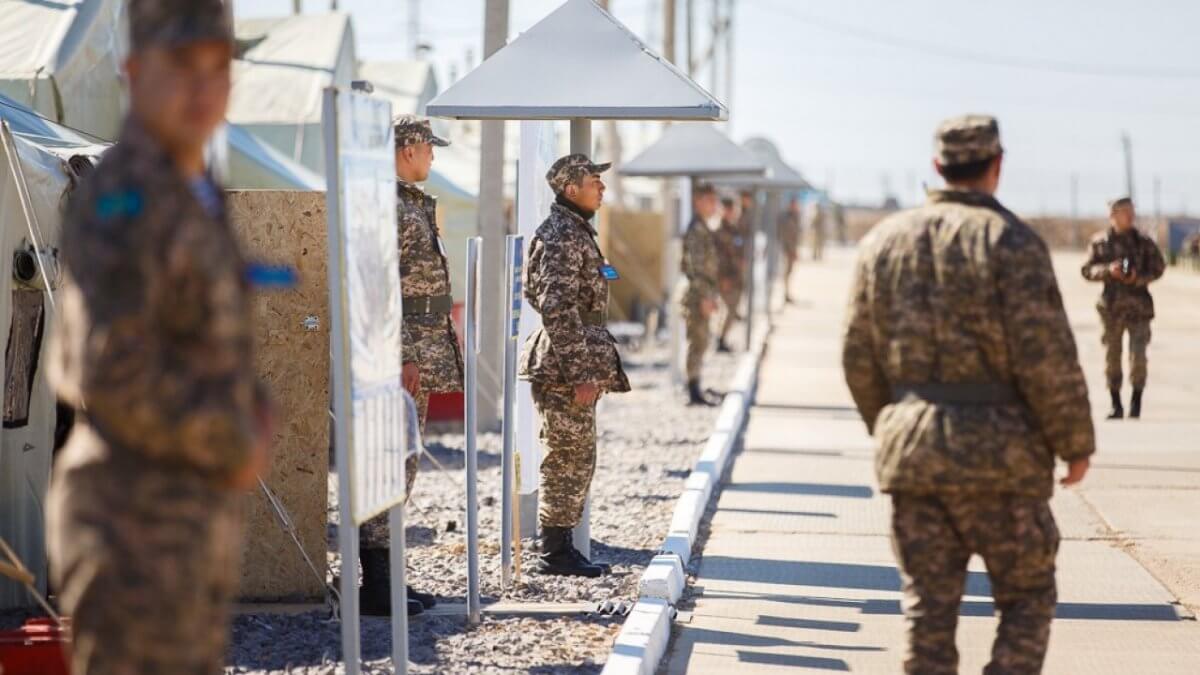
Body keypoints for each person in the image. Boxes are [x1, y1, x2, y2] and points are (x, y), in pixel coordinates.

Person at [45, 2, 275, 673]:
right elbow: (108, 363)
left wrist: (255, 408)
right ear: (135, 71)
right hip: (128, 524)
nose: (204, 89)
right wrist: (232, 434)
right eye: (182, 68)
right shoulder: (125, 194)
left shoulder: (191, 185)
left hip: (182, 519)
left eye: (219, 69)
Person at [842, 114, 1095, 674]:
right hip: (1005, 463)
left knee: (928, 614)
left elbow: (858, 355)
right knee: (1026, 599)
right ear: (997, 166)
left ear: (937, 166)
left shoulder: (883, 242)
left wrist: (896, 424)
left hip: (916, 458)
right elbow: (1047, 356)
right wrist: (1074, 442)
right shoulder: (1014, 243)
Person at [358, 116, 463, 617]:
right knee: (389, 462)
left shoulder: (407, 202)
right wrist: (401, 353)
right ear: (408, 149)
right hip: (400, 357)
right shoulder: (388, 206)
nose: (434, 158)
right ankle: (376, 584)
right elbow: (378, 287)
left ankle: (390, 577)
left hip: (416, 353)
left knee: (404, 466)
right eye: (429, 149)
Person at [519, 154, 630, 577]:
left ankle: (561, 547)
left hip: (572, 356)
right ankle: (555, 552)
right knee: (567, 456)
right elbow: (557, 307)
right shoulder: (563, 235)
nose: (601, 187)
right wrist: (581, 373)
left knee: (577, 455)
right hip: (565, 366)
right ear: (571, 189)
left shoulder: (574, 230)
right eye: (594, 181)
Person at [1081, 197, 1165, 419]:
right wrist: (1109, 271)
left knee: (1138, 357)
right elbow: (1087, 270)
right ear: (1113, 215)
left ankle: (1136, 402)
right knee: (1112, 357)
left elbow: (1158, 268)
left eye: (1132, 211)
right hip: (1111, 310)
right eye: (1125, 212)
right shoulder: (1100, 243)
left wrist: (1137, 278)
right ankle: (1115, 404)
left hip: (1139, 309)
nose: (1130, 216)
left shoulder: (1144, 242)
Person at [679, 183, 722, 406]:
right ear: (698, 202)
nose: (714, 205)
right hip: (696, 295)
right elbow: (695, 269)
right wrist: (705, 297)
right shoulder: (696, 230)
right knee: (696, 342)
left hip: (703, 293)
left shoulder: (703, 227)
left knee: (702, 340)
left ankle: (696, 384)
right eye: (710, 200)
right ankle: (693, 389)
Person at [714, 196, 746, 353]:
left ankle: (721, 338)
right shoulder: (718, 232)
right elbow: (717, 259)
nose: (731, 213)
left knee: (733, 311)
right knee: (728, 311)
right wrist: (722, 278)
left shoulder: (735, 230)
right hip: (726, 279)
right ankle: (720, 339)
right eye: (729, 209)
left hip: (736, 278)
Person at [777, 197, 802, 303]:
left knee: (789, 273)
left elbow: (796, 236)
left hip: (791, 250)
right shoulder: (785, 217)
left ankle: (787, 293)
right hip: (786, 250)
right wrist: (790, 250)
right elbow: (785, 235)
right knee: (786, 273)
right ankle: (785, 294)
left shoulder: (796, 217)